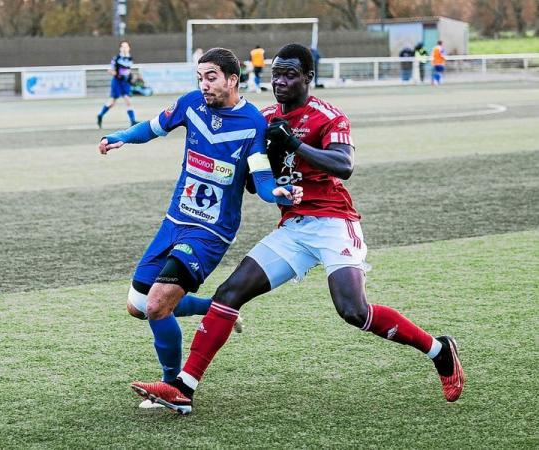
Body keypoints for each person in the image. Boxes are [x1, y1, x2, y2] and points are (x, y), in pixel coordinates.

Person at [131, 43, 465, 415]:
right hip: (293, 226)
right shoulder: (264, 117)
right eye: (277, 74)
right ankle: (184, 388)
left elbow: (343, 164)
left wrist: (294, 143)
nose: (281, 82)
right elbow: (252, 175)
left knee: (354, 311)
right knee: (229, 293)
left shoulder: (329, 117)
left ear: (308, 78)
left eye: (290, 75)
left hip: (335, 222)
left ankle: (439, 350)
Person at [98, 47, 303, 410]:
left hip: (210, 233)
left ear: (232, 79)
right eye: (200, 78)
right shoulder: (191, 104)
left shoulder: (253, 122)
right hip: (175, 220)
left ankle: (172, 390)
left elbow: (262, 178)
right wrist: (122, 137)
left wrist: (279, 192)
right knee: (138, 306)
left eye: (211, 77)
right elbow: (153, 127)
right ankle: (217, 308)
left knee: (158, 306)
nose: (204, 85)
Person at [97, 41, 138, 128]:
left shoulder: (130, 58)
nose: (124, 48)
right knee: (112, 102)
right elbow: (110, 70)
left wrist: (130, 76)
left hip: (125, 83)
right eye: (123, 47)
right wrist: (118, 76)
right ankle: (100, 115)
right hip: (117, 82)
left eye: (126, 47)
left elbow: (127, 70)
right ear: (120, 48)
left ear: (129, 48)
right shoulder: (116, 58)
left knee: (128, 100)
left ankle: (133, 121)